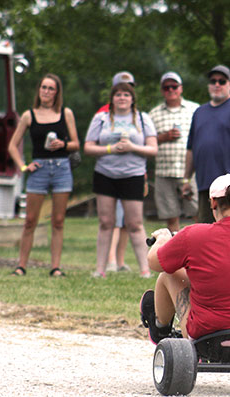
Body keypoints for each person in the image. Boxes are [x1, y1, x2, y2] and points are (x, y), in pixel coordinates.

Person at [141, 174, 230, 343]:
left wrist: (163, 238)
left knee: (169, 274)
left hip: (207, 336)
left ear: (213, 203)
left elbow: (154, 262)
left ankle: (160, 328)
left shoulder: (193, 234)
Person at [7, 73, 80, 277]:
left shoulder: (65, 113)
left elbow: (76, 144)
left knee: (58, 220)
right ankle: (21, 266)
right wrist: (23, 166)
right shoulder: (29, 115)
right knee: (30, 219)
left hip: (61, 168)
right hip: (38, 169)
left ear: (57, 93)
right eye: (43, 88)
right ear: (38, 90)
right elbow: (13, 145)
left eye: (51, 88)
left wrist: (63, 144)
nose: (46, 92)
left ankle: (55, 267)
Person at [84, 82, 158, 278]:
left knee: (135, 224)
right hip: (105, 175)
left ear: (132, 99)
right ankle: (100, 269)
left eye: (126, 94)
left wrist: (132, 147)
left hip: (133, 175)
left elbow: (153, 149)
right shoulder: (101, 119)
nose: (122, 98)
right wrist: (110, 149)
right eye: (118, 95)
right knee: (106, 222)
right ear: (112, 98)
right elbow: (88, 147)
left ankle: (145, 269)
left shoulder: (143, 119)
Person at [184, 65, 230, 223]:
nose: (217, 84)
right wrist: (186, 179)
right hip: (206, 185)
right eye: (213, 81)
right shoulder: (199, 112)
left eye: (222, 81)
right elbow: (191, 149)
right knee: (205, 232)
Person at [148, 71, 199, 232]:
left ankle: (199, 248)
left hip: (190, 171)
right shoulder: (153, 114)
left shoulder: (195, 109)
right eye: (166, 87)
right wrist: (164, 137)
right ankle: (175, 251)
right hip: (164, 171)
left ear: (181, 88)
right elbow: (146, 141)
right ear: (162, 90)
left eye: (174, 86)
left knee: (197, 213)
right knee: (171, 216)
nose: (170, 90)